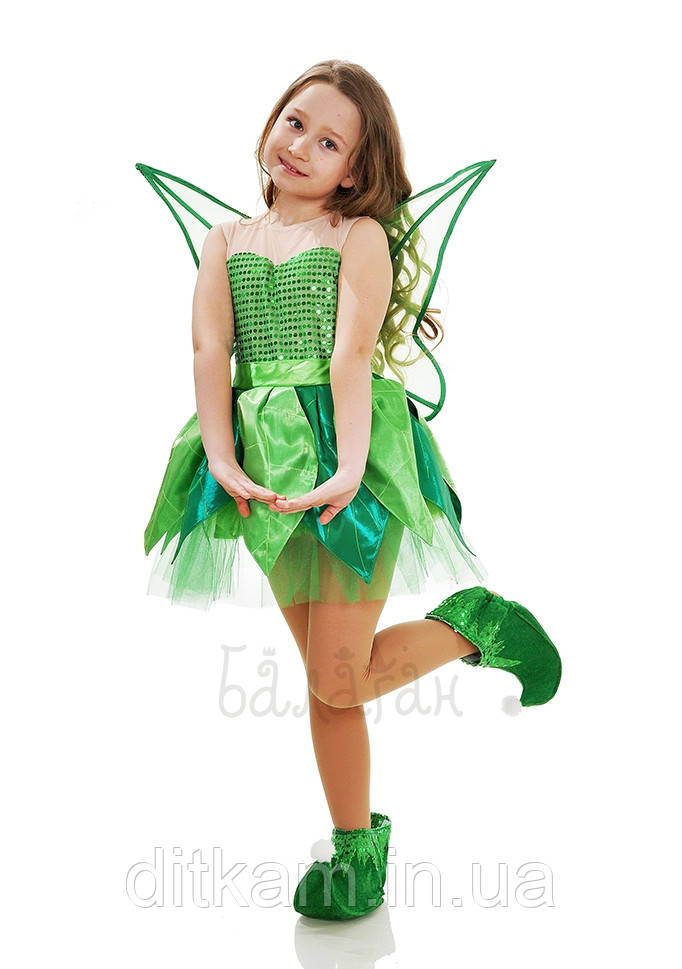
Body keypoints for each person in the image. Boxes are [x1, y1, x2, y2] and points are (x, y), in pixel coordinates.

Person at [140, 59, 562, 921]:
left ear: (353, 172)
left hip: (349, 455)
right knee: (328, 679)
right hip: (264, 466)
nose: (301, 145)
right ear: (272, 121)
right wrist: (219, 457)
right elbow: (210, 352)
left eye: (329, 142)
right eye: (295, 121)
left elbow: (352, 355)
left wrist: (348, 467)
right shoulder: (225, 241)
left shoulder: (354, 235)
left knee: (339, 678)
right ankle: (354, 851)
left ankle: (477, 625)